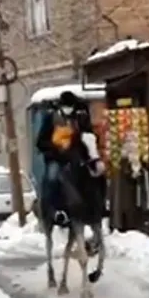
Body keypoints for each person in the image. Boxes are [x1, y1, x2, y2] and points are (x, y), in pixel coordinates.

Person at [36, 90, 106, 227]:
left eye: (70, 106)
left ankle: (99, 207)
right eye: (66, 106)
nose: (68, 109)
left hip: (77, 156)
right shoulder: (51, 119)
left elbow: (88, 134)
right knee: (52, 177)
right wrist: (55, 150)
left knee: (98, 175)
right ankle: (55, 209)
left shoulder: (80, 117)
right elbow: (40, 142)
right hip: (56, 157)